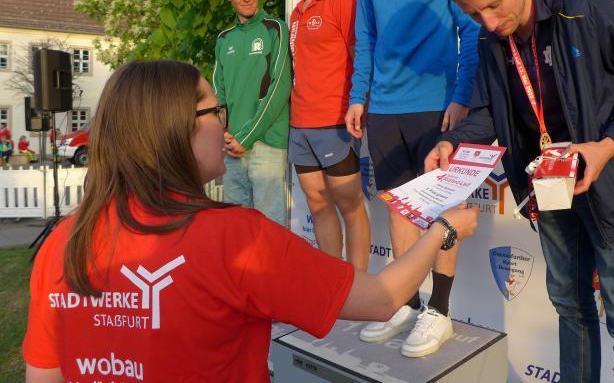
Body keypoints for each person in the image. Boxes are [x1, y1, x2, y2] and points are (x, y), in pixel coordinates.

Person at [22, 60, 479, 382]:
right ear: (177, 127)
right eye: (215, 112)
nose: (226, 128)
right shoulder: (235, 239)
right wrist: (443, 230)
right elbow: (381, 299)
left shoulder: (63, 242)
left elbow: (44, 374)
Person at [425, 0, 614, 383]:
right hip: (549, 190)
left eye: (494, 5)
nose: (488, 22)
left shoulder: (588, 10)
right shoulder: (491, 40)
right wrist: (454, 142)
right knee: (569, 305)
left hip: (613, 184)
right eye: (473, 14)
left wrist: (606, 146)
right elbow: (491, 111)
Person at [343, 0, 480, 357]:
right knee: (399, 206)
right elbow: (366, 35)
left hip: (435, 107)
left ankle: (439, 311)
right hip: (384, 108)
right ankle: (407, 303)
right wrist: (359, 95)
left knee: (442, 209)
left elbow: (471, 28)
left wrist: (461, 95)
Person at [264, 0, 370, 270]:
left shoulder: (342, 1)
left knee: (350, 206)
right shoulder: (295, 13)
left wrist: (361, 104)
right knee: (317, 205)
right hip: (300, 124)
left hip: (334, 120)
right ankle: (333, 283)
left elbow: (361, 57)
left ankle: (358, 285)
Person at [212, 0, 291, 225]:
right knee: (237, 225)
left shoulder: (275, 28)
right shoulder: (224, 39)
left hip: (266, 141)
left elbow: (279, 88)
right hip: (232, 146)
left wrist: (246, 137)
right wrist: (224, 131)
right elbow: (218, 92)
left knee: (269, 226)